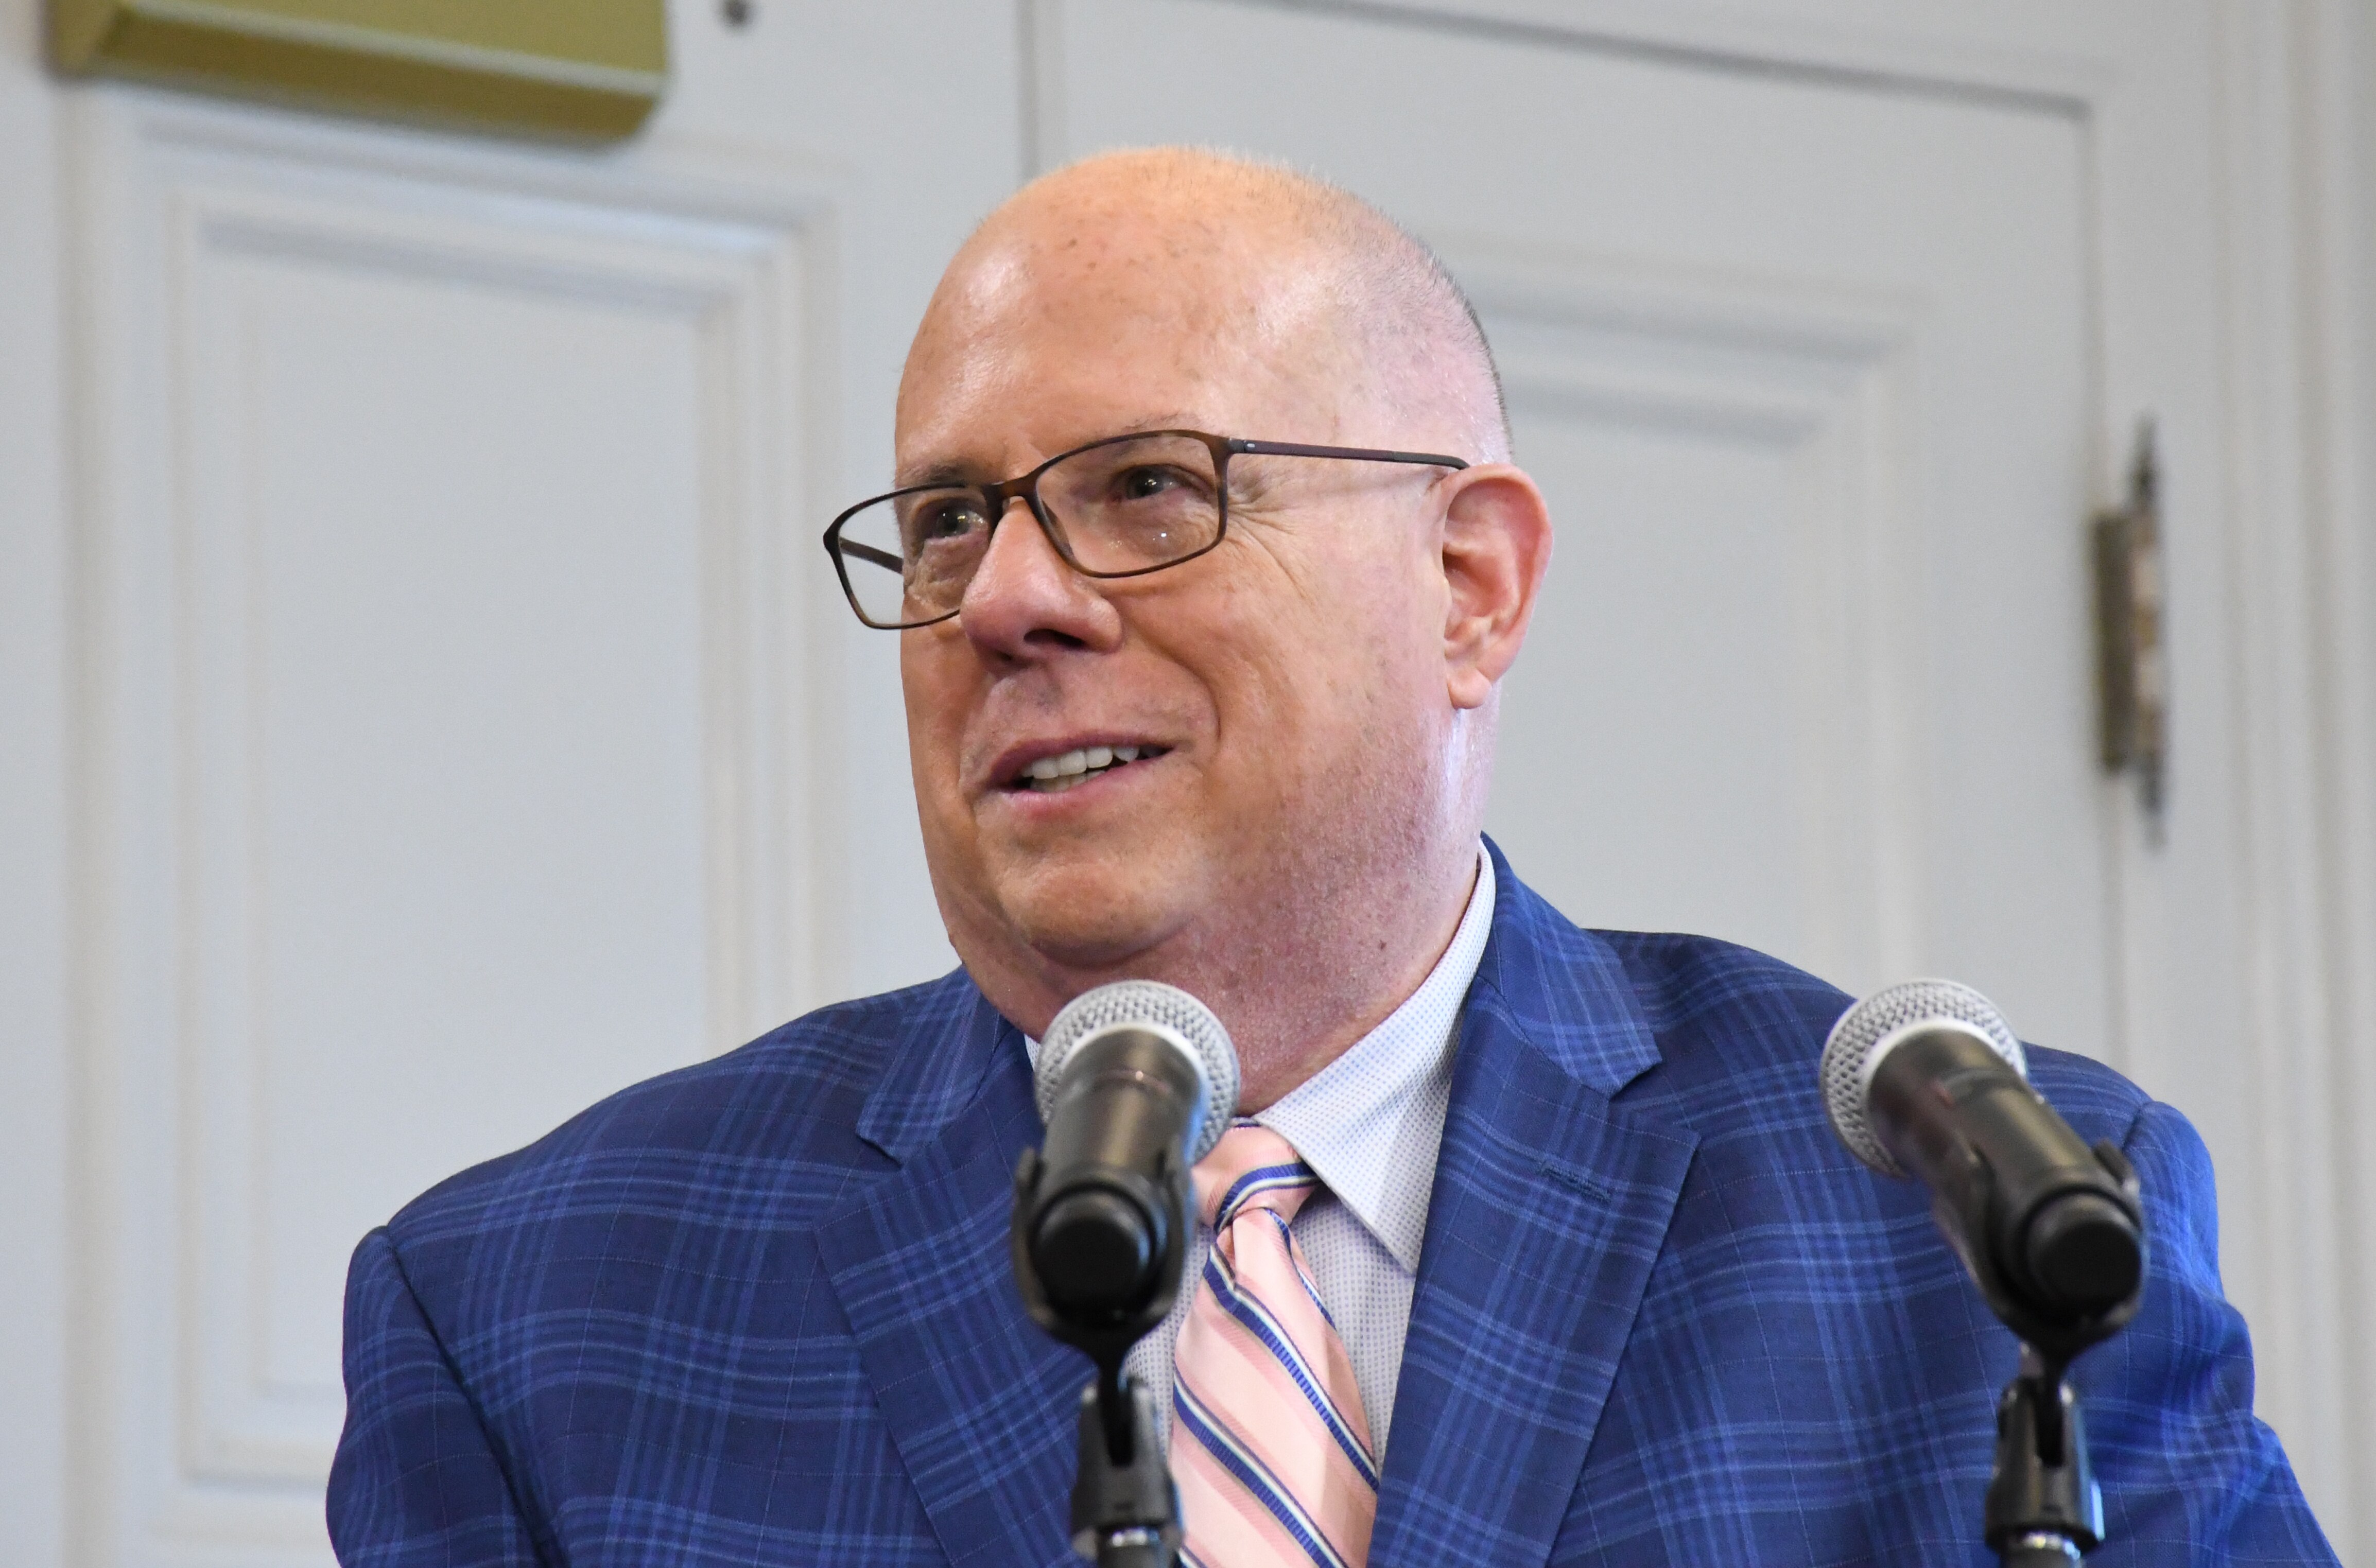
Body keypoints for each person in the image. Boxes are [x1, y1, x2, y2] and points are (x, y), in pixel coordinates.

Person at [327, 148, 2333, 1566]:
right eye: (944, 522)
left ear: (1466, 584)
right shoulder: (536, 1312)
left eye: (1143, 487)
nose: (1005, 596)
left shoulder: (1979, 1224)